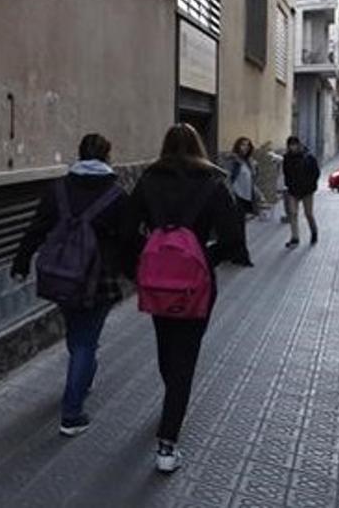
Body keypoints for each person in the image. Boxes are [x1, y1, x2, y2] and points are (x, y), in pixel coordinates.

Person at [127, 123, 243, 473]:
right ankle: (167, 443)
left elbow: (125, 227)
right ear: (198, 146)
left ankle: (171, 403)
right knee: (186, 357)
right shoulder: (213, 182)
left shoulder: (148, 180)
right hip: (197, 284)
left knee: (166, 346)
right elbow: (233, 237)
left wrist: (146, 258)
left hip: (158, 282)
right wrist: (205, 259)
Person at [11, 133, 128, 437]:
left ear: (79, 154)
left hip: (62, 276)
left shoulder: (58, 190)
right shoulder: (116, 195)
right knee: (86, 341)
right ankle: (72, 413)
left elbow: (36, 228)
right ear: (107, 156)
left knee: (78, 335)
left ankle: (83, 377)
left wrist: (21, 262)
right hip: (99, 279)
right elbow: (128, 240)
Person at [282, 136, 320, 248]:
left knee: (308, 214)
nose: (292, 147)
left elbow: (316, 173)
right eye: (290, 145)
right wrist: (288, 185)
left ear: (299, 145)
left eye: (294, 144)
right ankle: (295, 238)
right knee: (293, 214)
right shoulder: (287, 158)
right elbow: (286, 173)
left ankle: (314, 232)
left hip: (307, 191)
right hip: (293, 191)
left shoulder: (309, 157)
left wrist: (311, 185)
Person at [226, 137, 257, 266]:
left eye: (247, 145)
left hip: (245, 198)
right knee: (239, 229)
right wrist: (229, 195)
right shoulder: (233, 161)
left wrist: (259, 196)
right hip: (235, 198)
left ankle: (233, 255)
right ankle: (242, 257)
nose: (245, 147)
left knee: (238, 228)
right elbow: (227, 179)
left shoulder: (248, 162)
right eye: (242, 145)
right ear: (237, 146)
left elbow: (251, 181)